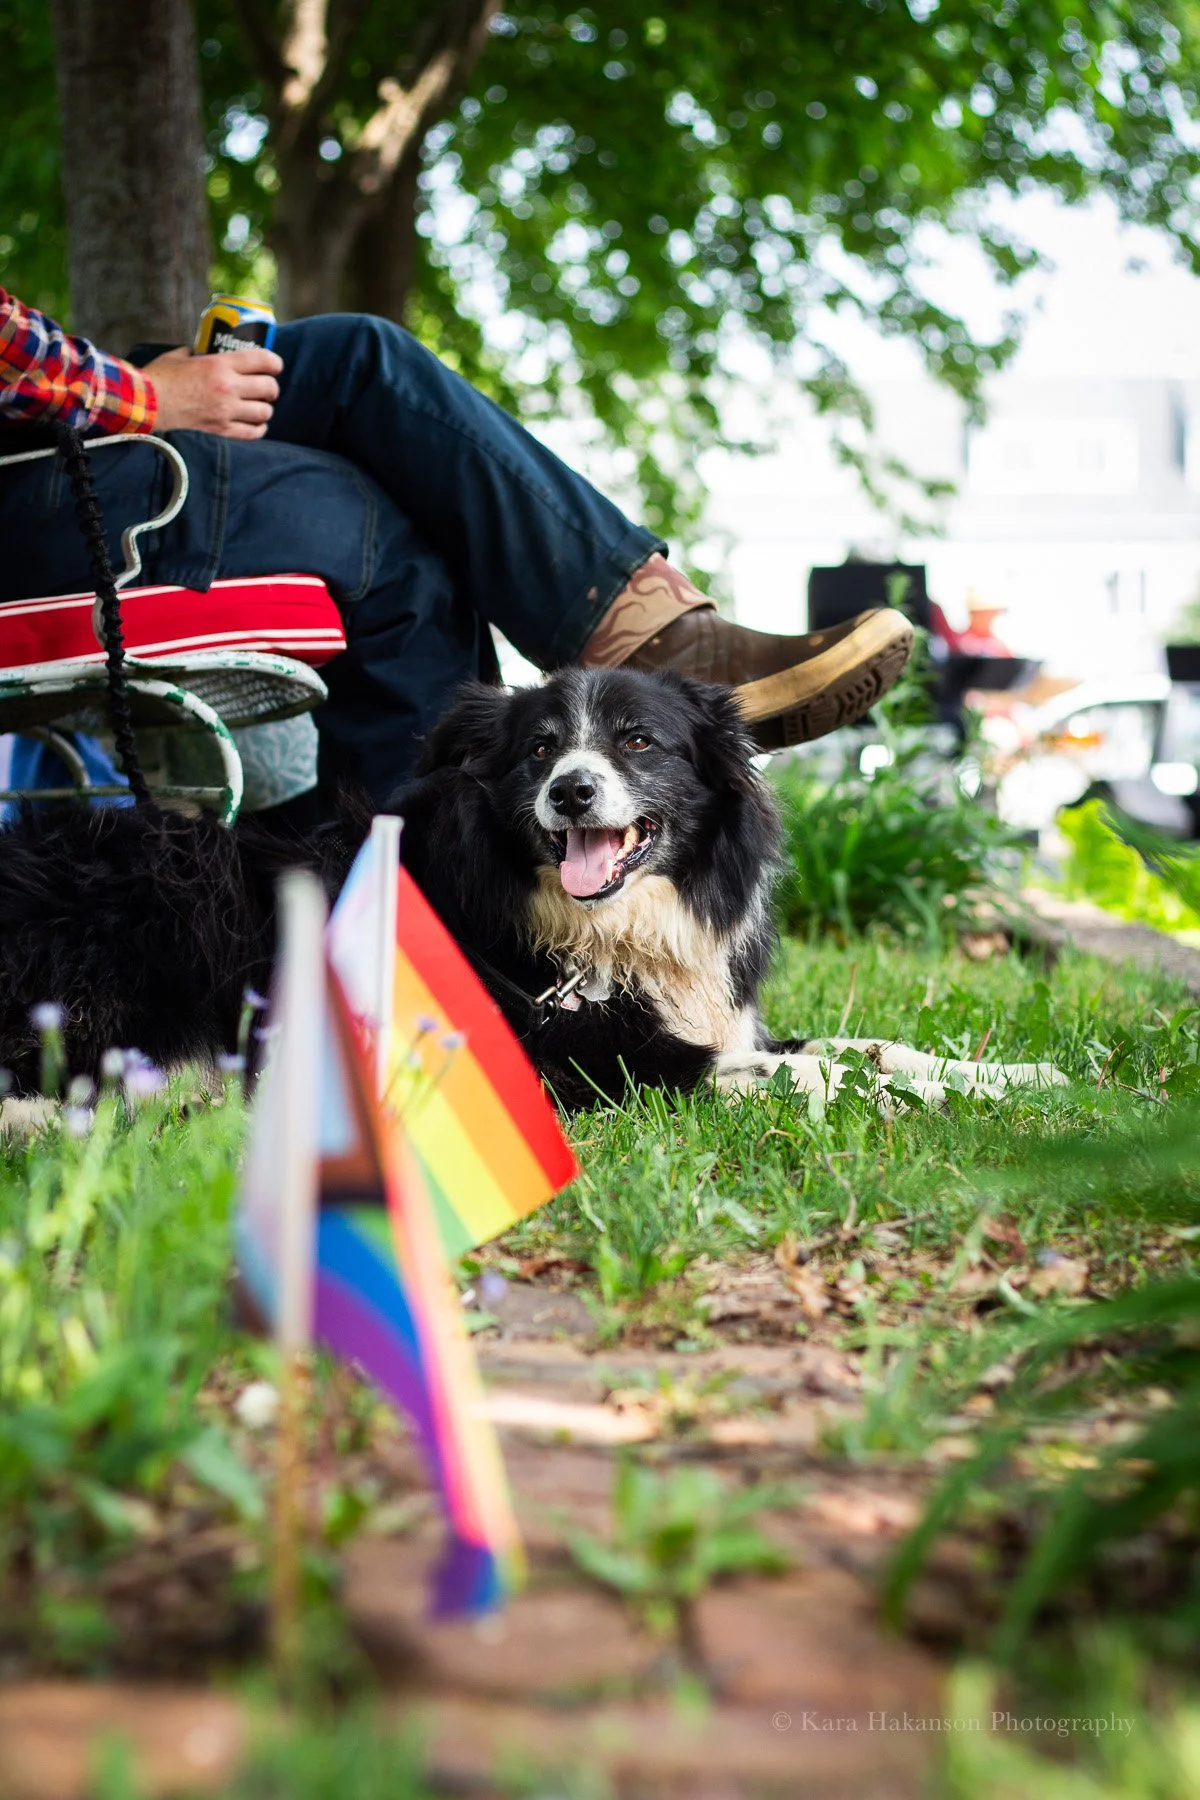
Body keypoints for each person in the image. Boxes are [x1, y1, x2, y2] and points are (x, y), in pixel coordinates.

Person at [0, 290, 913, 817]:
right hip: (42, 485)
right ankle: (425, 899)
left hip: (50, 438)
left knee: (361, 361)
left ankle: (656, 627)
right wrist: (144, 397)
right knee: (390, 537)